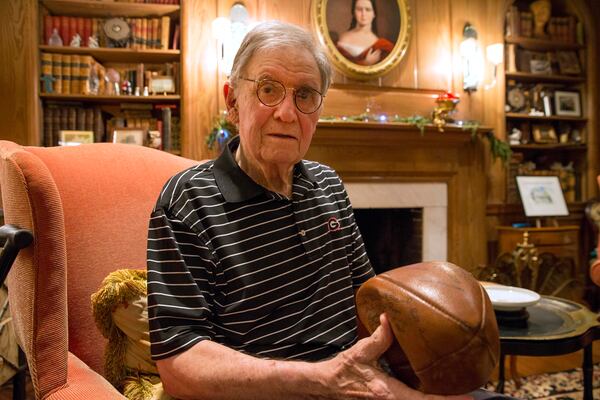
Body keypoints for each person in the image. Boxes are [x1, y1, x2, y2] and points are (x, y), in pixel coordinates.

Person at [147, 20, 511, 400]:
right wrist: (323, 380)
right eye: (268, 90)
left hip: (356, 382)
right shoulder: (187, 200)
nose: (287, 113)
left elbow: (367, 303)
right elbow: (179, 363)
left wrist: (428, 365)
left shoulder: (328, 185)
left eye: (305, 95)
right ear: (233, 102)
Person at [335, 0, 394, 66]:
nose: (363, 14)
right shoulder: (343, 37)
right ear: (354, 13)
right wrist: (365, 63)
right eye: (359, 9)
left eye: (368, 10)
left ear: (374, 14)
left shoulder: (381, 44)